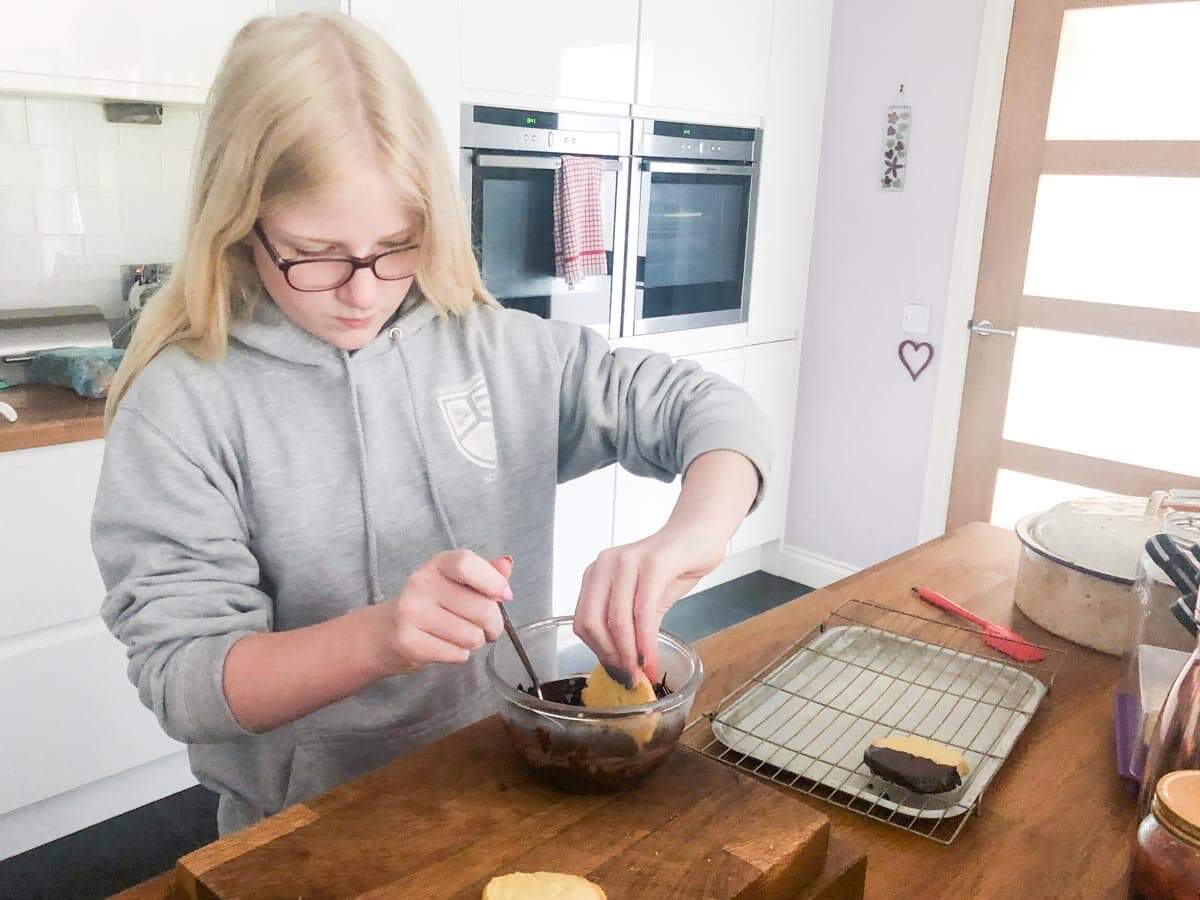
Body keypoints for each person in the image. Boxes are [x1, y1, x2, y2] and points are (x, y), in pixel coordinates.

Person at [91, 12, 771, 837]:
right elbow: (186, 680)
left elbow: (714, 412)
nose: (363, 291)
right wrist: (382, 637)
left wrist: (688, 537)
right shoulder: (183, 406)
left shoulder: (501, 349)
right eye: (315, 251)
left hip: (508, 787)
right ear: (237, 225)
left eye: (396, 244)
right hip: (306, 831)